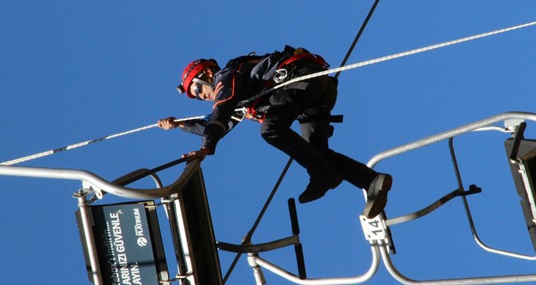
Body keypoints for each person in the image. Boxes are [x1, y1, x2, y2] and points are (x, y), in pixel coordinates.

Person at [157, 45, 391, 219]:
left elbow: (221, 109)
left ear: (208, 74)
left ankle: (323, 175)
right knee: (316, 152)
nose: (200, 96)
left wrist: (206, 148)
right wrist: (180, 125)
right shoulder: (238, 98)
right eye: (195, 95)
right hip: (315, 93)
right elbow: (223, 123)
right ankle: (370, 180)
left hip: (301, 80)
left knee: (270, 129)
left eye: (197, 88)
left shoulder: (225, 77)